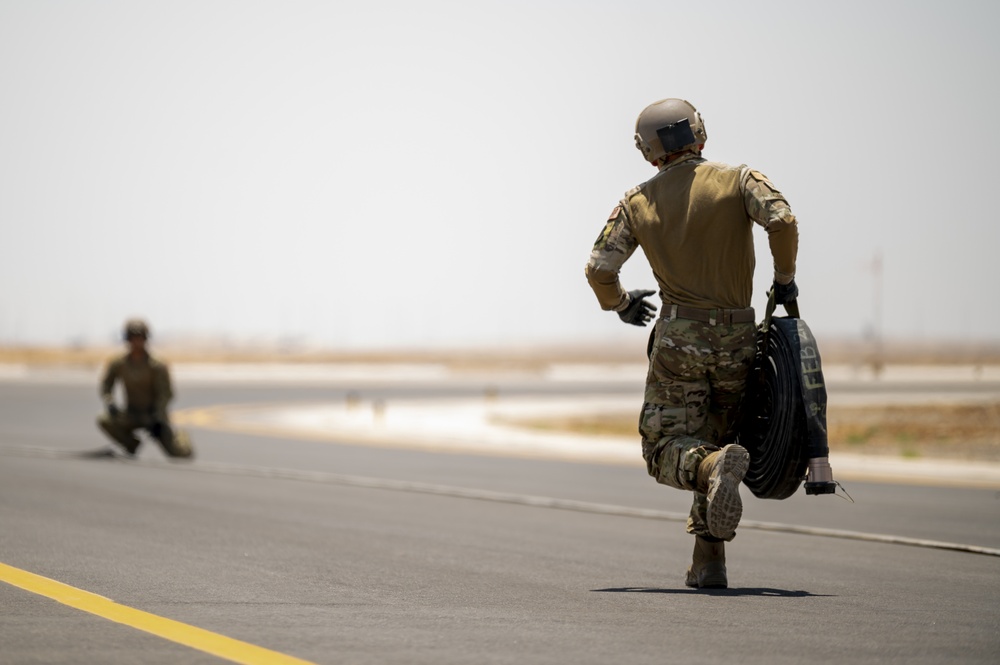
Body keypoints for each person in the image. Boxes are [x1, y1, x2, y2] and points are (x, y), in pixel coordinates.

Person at [585, 98, 799, 589]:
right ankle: (709, 565)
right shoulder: (740, 179)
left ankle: (711, 469)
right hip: (740, 337)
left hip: (681, 339)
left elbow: (599, 269)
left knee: (666, 448)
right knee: (721, 440)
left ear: (648, 152)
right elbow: (783, 221)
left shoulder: (637, 201)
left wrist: (619, 304)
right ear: (700, 134)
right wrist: (784, 279)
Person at [96, 318, 192, 458]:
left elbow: (166, 394)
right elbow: (106, 385)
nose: (136, 342)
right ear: (127, 339)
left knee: (180, 454)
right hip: (131, 414)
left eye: (140, 338)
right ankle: (131, 444)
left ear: (146, 339)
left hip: (153, 417)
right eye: (133, 338)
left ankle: (181, 437)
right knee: (104, 420)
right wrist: (110, 402)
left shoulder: (156, 365)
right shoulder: (119, 363)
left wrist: (158, 418)